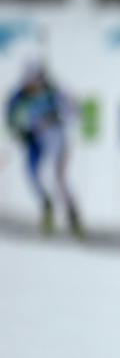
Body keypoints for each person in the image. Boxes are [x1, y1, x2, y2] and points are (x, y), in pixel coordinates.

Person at [5, 61, 82, 237]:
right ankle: (46, 206)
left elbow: (73, 111)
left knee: (59, 180)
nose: (32, 85)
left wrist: (54, 116)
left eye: (35, 80)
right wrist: (21, 131)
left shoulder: (54, 92)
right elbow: (11, 116)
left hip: (57, 143)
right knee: (32, 175)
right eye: (28, 81)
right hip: (35, 143)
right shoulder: (20, 96)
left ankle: (73, 216)